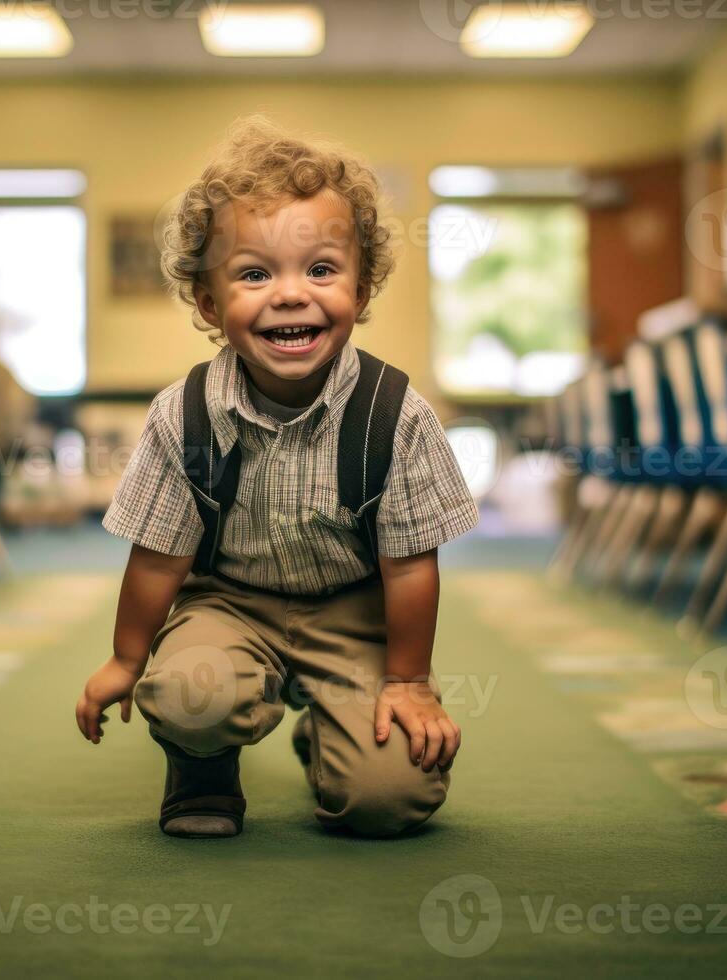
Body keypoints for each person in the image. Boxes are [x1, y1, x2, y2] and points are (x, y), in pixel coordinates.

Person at [75, 117, 478, 839]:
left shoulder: (397, 415)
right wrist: (126, 658)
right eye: (255, 274)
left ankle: (333, 733)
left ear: (363, 283)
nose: (291, 295)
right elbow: (159, 555)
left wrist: (408, 682)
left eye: (321, 269)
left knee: (389, 801)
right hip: (229, 603)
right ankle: (202, 770)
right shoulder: (184, 414)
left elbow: (412, 565)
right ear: (208, 302)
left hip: (355, 613)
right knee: (187, 695)